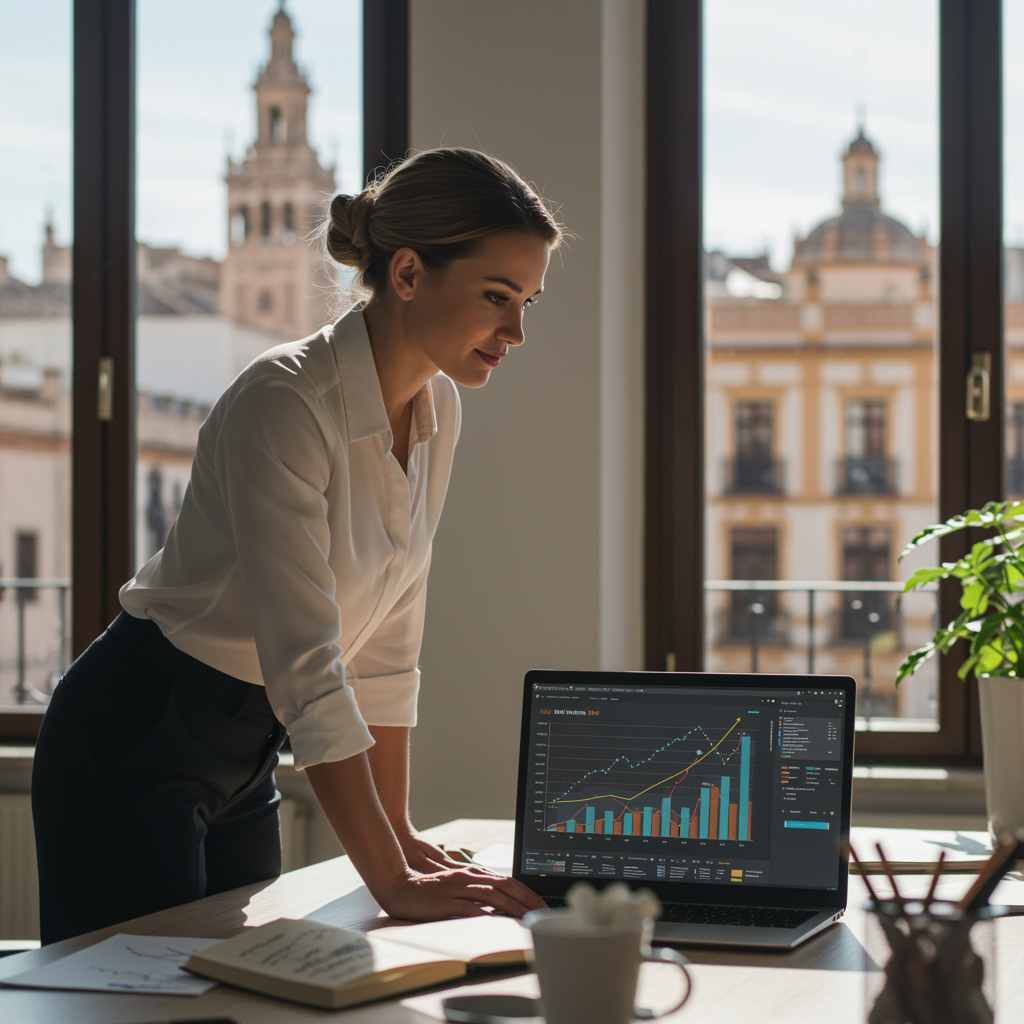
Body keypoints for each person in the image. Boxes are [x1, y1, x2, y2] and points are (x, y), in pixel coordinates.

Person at [32, 148, 560, 944]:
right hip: (139, 730)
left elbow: (386, 641)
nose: (516, 331)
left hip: (251, 743)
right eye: (497, 296)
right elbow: (308, 663)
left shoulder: (439, 405)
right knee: (139, 995)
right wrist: (391, 880)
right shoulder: (284, 399)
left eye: (527, 302)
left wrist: (399, 833)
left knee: (246, 984)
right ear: (408, 273)